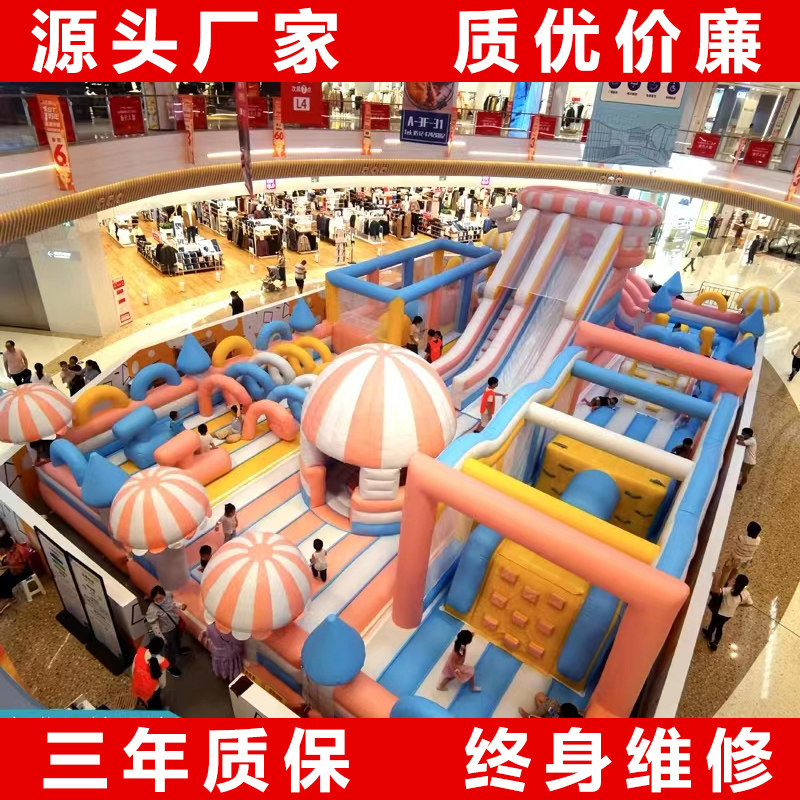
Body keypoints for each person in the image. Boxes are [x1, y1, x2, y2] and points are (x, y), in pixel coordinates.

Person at [145, 585, 189, 677]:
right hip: (166, 631)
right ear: (153, 599)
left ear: (164, 595)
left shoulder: (168, 595)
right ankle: (170, 666)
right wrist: (162, 639)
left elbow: (172, 604)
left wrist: (180, 606)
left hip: (175, 624)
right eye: (156, 600)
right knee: (170, 649)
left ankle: (178, 650)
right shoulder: (152, 610)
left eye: (161, 598)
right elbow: (155, 627)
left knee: (177, 639)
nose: (159, 601)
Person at [704, 574, 753, 651]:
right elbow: (750, 604)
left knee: (714, 623)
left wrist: (716, 579)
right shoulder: (746, 593)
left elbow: (715, 590)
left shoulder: (729, 590)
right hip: (728, 615)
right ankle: (711, 637)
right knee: (719, 626)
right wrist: (739, 605)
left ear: (736, 582)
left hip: (720, 611)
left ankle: (712, 639)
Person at [717, 521, 762, 589]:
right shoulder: (758, 540)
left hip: (734, 558)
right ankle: (727, 583)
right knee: (734, 571)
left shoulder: (741, 538)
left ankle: (720, 587)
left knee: (725, 572)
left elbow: (735, 544)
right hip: (744, 561)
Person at [131, 636, 169, 710]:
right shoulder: (162, 661)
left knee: (148, 701)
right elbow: (162, 684)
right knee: (155, 703)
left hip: (140, 686)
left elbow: (133, 670)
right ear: (160, 650)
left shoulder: (139, 653)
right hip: (153, 689)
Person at [0, 535, 33, 614]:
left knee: (6, 582)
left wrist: (11, 568)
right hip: (15, 569)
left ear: (5, 547)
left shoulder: (20, 551)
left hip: (24, 571)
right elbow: (10, 563)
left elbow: (22, 567)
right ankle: (3, 597)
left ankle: (8, 598)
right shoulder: (9, 551)